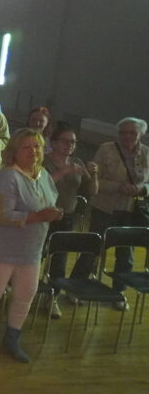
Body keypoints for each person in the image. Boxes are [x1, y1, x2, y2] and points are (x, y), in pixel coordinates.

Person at [0, 129, 62, 364]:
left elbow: (49, 201)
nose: (33, 151)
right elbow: (1, 215)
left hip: (31, 248)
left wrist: (53, 213)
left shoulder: (43, 175)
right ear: (15, 151)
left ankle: (12, 339)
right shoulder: (7, 177)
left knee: (25, 295)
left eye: (37, 146)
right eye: (26, 147)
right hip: (2, 247)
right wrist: (38, 216)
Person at [85, 117, 149, 308]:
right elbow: (94, 180)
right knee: (92, 249)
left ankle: (118, 292)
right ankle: (77, 286)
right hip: (105, 207)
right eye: (123, 132)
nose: (127, 136)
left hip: (131, 211)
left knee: (126, 255)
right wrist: (118, 187)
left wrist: (142, 189)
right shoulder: (106, 149)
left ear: (141, 134)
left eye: (132, 133)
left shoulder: (146, 153)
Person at [43, 122, 98, 316]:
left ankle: (53, 296)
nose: (70, 145)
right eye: (65, 141)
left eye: (73, 142)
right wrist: (64, 171)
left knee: (60, 258)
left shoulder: (78, 163)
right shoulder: (44, 161)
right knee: (37, 254)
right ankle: (18, 287)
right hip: (43, 214)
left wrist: (94, 174)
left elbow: (91, 191)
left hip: (66, 216)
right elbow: (41, 185)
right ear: (54, 142)